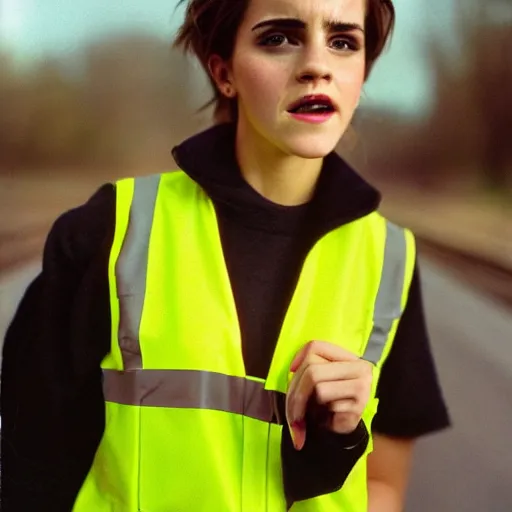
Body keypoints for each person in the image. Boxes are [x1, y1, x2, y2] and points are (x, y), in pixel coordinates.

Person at [0, 0, 450, 510]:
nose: (317, 65)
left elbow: (382, 487)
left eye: (344, 42)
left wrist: (340, 436)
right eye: (278, 38)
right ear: (223, 72)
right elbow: (29, 468)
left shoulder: (391, 258)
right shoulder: (111, 230)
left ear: (363, 71)